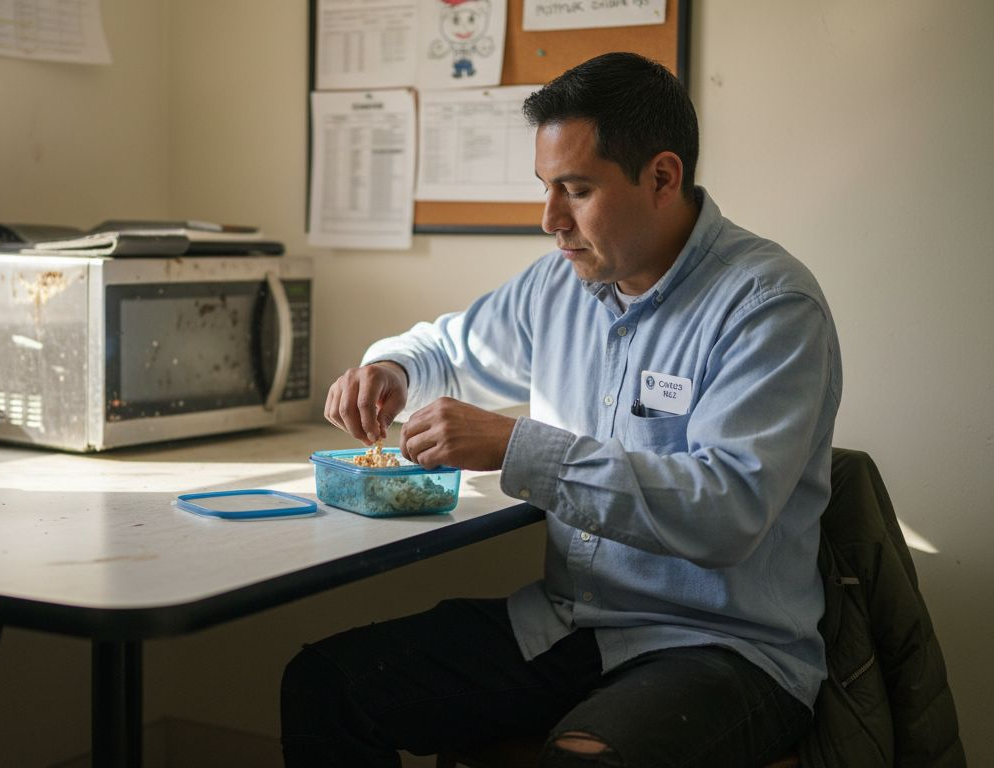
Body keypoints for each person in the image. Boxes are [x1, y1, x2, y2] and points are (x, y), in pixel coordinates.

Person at [280, 51, 843, 767]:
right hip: (570, 623)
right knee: (326, 687)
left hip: (720, 647)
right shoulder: (561, 285)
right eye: (546, 187)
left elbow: (726, 510)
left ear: (662, 177)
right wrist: (391, 369)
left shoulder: (768, 306)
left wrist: (519, 446)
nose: (550, 220)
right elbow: (448, 350)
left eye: (575, 190)